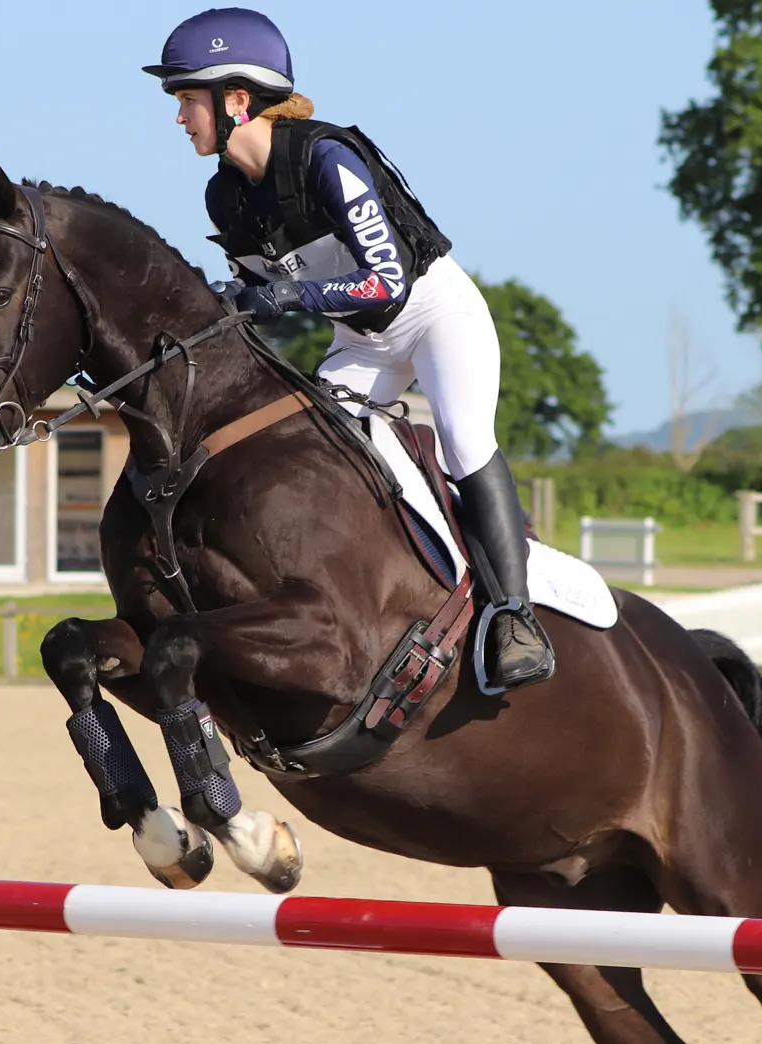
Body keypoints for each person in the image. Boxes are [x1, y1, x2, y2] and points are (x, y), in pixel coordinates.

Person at [140, 7, 555, 692]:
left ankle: (516, 618)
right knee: (314, 446)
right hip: (362, 342)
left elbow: (385, 280)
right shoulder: (226, 197)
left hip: (432, 314)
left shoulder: (326, 157)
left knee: (462, 439)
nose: (180, 116)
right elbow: (256, 290)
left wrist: (287, 298)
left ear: (237, 100)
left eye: (188, 98)